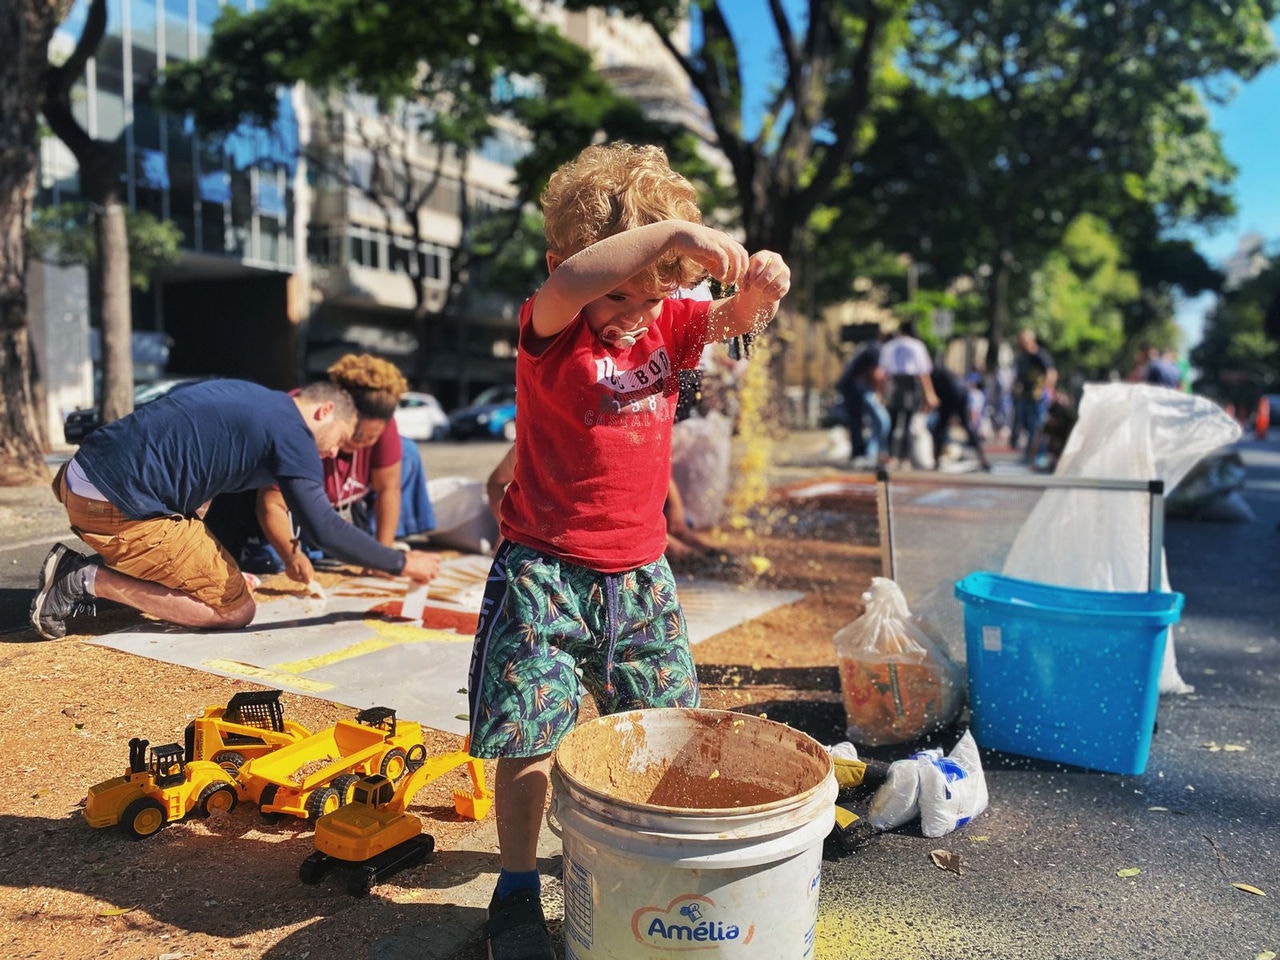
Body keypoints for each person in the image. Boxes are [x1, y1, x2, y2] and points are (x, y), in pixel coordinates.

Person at [468, 141, 789, 960]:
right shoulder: (553, 326)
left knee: (661, 726)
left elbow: (732, 320)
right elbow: (578, 284)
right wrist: (676, 231)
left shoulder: (670, 319)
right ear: (563, 266)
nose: (637, 311)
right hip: (543, 567)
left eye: (657, 294)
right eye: (623, 291)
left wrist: (757, 289)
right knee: (531, 737)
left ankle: (634, 865)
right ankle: (512, 890)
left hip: (641, 575)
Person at [29, 379, 441, 641]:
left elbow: (189, 457)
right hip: (117, 506)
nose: (334, 452)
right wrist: (402, 562)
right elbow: (324, 530)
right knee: (235, 610)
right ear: (324, 411)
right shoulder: (293, 434)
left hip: (82, 475)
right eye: (342, 440)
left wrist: (217, 563)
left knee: (209, 566)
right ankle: (82, 578)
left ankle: (101, 565)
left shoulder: (252, 398)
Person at [253, 354, 435, 586]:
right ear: (338, 413)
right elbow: (271, 503)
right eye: (355, 435)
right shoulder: (303, 426)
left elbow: (388, 490)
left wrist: (382, 554)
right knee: (271, 562)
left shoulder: (381, 425)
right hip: (296, 515)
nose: (359, 444)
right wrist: (292, 555)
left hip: (340, 513)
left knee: (407, 451)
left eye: (371, 438)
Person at [878, 319, 938, 467]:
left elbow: (882, 372)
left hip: (893, 384)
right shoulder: (917, 346)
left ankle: (891, 456)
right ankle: (904, 458)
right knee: (907, 423)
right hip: (910, 385)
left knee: (892, 423)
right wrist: (929, 394)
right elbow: (924, 372)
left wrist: (880, 392)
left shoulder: (889, 346)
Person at [835, 336, 889, 467]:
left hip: (855, 387)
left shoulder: (873, 348)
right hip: (853, 387)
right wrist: (879, 394)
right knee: (857, 421)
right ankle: (860, 454)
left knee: (862, 421)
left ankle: (864, 453)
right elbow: (875, 374)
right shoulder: (876, 350)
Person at [929, 364, 992, 471]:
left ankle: (936, 461)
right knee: (963, 428)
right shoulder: (938, 371)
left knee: (941, 429)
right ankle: (983, 459)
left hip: (952, 397)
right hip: (957, 395)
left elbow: (934, 396)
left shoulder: (930, 374)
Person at [1011, 328, 1057, 460]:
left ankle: (1038, 455)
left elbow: (1051, 372)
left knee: (1037, 427)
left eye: (1024, 341)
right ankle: (1030, 453)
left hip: (1037, 398)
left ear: (1032, 340)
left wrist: (1047, 390)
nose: (1022, 344)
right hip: (1024, 397)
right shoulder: (1022, 357)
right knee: (1026, 426)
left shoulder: (1040, 355)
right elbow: (1018, 377)